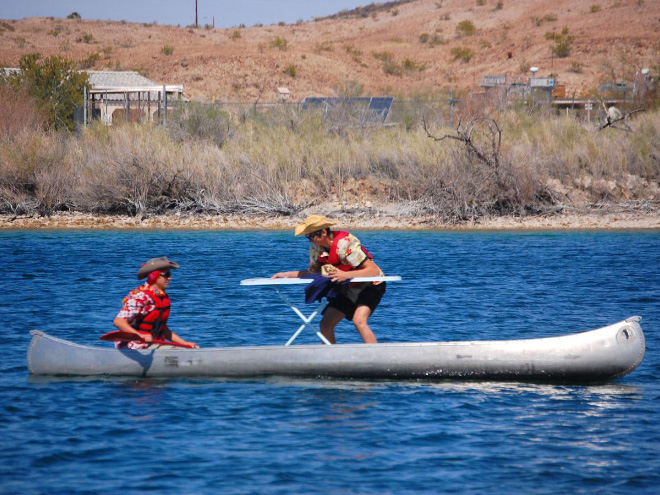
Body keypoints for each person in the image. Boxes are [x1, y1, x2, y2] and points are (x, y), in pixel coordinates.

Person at [272, 215, 386, 344]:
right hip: (350, 287)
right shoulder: (317, 249)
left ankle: (374, 357)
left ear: (324, 233)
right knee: (325, 324)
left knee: (359, 321)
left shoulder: (345, 243)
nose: (309, 240)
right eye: (307, 237)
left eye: (311, 236)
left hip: (372, 284)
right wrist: (285, 274)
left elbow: (373, 270)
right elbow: (312, 272)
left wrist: (344, 275)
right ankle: (331, 358)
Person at [113, 256, 198, 349]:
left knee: (185, 349)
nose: (170, 278)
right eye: (166, 274)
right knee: (179, 352)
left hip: (154, 345)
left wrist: (184, 343)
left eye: (169, 275)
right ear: (155, 275)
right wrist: (140, 336)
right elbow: (119, 321)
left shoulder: (161, 297)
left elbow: (163, 330)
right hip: (136, 346)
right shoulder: (141, 298)